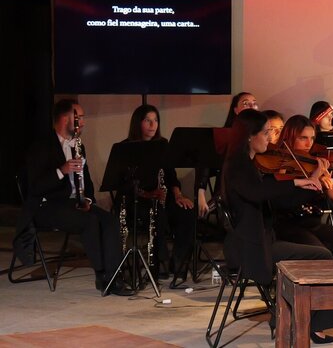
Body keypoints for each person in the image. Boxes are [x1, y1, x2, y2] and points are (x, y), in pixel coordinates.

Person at [221, 108, 333, 343]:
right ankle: (312, 326)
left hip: (260, 241)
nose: (270, 138)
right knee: (322, 256)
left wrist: (308, 185)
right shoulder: (238, 165)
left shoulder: (245, 164)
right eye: (265, 133)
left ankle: (295, 319)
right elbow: (257, 192)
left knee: (321, 251)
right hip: (252, 248)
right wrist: (297, 181)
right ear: (250, 136)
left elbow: (274, 198)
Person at [21, 99, 126, 294]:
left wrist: (87, 200)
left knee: (110, 220)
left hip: (74, 204)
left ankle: (114, 276)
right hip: (47, 207)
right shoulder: (41, 145)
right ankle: (101, 274)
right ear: (65, 119)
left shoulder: (78, 146)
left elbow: (87, 181)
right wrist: (61, 171)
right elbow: (35, 187)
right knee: (89, 221)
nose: (83, 122)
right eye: (79, 118)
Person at [122, 104, 196, 282]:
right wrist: (149, 195)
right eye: (147, 120)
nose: (152, 125)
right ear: (138, 123)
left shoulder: (163, 144)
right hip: (138, 200)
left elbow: (171, 176)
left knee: (187, 212)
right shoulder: (126, 147)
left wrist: (178, 195)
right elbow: (125, 185)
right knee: (158, 214)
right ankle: (159, 261)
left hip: (162, 196)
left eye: (155, 120)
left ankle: (179, 261)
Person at [273, 114, 333, 256]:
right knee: (322, 254)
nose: (308, 144)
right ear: (290, 137)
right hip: (289, 225)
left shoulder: (313, 164)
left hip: (312, 224)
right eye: (303, 138)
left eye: (312, 138)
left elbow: (330, 204)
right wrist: (314, 179)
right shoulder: (281, 164)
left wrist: (327, 185)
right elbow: (284, 202)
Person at [196, 91, 259, 217]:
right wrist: (201, 192)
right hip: (232, 188)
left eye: (254, 103)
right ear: (236, 110)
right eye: (246, 103)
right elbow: (205, 160)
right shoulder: (226, 135)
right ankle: (215, 201)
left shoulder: (261, 133)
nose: (252, 106)